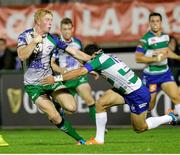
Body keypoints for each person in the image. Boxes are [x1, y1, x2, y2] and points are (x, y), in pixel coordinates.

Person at [41, 43, 177, 144]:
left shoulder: (98, 60)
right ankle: (99, 139)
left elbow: (80, 71)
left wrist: (56, 78)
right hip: (126, 90)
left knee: (140, 128)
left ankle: (170, 117)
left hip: (137, 93)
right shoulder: (105, 57)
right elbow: (83, 59)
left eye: (90, 59)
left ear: (93, 56)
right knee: (100, 103)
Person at [17, 8, 91, 145]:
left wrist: (92, 60)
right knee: (55, 117)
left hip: (49, 81)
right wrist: (34, 42)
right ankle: (79, 139)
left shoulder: (53, 39)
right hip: (33, 86)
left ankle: (56, 103)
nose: (50, 23)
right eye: (47, 20)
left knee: (71, 107)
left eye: (51, 20)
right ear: (38, 21)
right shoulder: (25, 36)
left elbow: (75, 52)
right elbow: (22, 55)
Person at [135, 12, 180, 117]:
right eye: (152, 21)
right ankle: (141, 122)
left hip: (165, 73)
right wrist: (155, 58)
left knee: (176, 97)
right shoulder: (144, 40)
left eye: (157, 21)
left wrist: (178, 57)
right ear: (149, 23)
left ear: (161, 22)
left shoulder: (165, 37)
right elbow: (138, 58)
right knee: (150, 105)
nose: (155, 23)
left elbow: (167, 51)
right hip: (151, 77)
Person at [51, 17, 96, 122]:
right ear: (61, 30)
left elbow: (80, 58)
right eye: (64, 29)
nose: (67, 31)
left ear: (72, 29)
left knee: (90, 100)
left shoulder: (77, 42)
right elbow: (51, 63)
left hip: (79, 76)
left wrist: (91, 70)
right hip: (66, 79)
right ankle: (58, 105)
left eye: (69, 28)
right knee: (70, 110)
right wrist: (61, 70)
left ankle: (101, 129)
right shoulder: (57, 44)